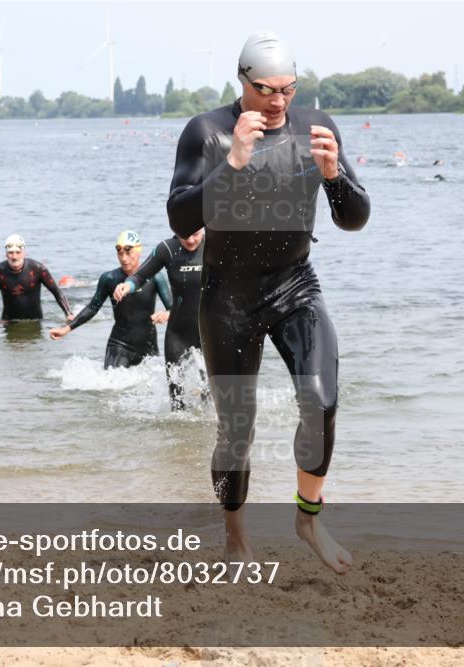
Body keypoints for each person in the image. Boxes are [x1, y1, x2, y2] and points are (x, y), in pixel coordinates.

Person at [167, 31, 370, 573]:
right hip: (226, 296)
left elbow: (354, 218)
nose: (279, 101)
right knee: (237, 428)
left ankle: (308, 519)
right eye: (265, 90)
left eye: (288, 89)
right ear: (242, 81)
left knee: (321, 399)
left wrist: (333, 178)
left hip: (294, 283)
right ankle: (236, 537)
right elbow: (181, 218)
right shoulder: (206, 132)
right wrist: (232, 161)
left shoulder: (317, 127)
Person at [50, 231, 173, 369]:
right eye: (120, 253)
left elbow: (173, 308)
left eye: (128, 252)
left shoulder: (156, 277)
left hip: (148, 347)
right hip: (119, 345)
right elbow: (92, 308)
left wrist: (167, 314)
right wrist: (66, 329)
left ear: (139, 251)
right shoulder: (109, 279)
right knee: (112, 388)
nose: (124, 258)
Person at [113, 229, 205, 410]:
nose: (191, 239)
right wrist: (127, 285)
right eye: (185, 234)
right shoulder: (167, 249)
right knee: (177, 402)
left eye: (195, 234)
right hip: (178, 334)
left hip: (210, 334)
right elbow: (140, 276)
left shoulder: (215, 246)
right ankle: (179, 436)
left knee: (210, 397)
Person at [0, 234, 74, 323]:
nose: (14, 256)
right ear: (6, 254)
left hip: (36, 321)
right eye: (11, 252)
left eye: (18, 252)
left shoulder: (38, 269)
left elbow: (57, 292)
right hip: (9, 322)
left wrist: (69, 314)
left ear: (24, 253)